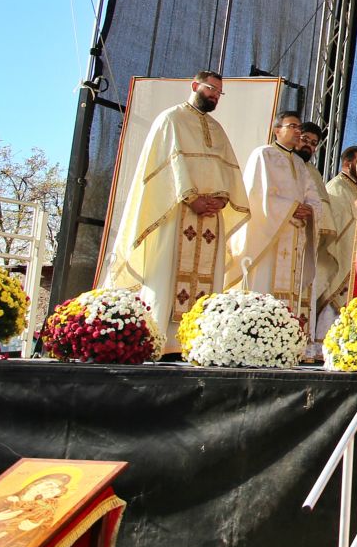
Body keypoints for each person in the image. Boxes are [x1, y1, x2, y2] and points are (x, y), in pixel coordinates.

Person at [102, 71, 249, 354]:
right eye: (211, 88)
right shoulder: (170, 119)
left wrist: (221, 198)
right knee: (167, 275)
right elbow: (168, 167)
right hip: (177, 213)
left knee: (209, 279)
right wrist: (191, 198)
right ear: (195, 86)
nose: (215, 95)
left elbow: (227, 170)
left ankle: (199, 344)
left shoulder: (217, 129)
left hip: (210, 218)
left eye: (219, 92)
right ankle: (160, 342)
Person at [226, 111, 333, 326]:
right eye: (292, 126)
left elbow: (313, 196)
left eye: (298, 127)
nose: (297, 131)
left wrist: (310, 209)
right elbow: (257, 196)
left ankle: (279, 338)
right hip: (268, 238)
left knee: (286, 297)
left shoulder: (301, 165)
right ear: (277, 130)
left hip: (293, 237)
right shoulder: (263, 155)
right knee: (264, 284)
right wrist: (292, 208)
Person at [315, 145, 357, 339]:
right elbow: (335, 225)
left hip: (355, 257)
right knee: (333, 300)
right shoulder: (337, 187)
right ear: (347, 163)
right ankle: (321, 343)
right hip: (338, 254)